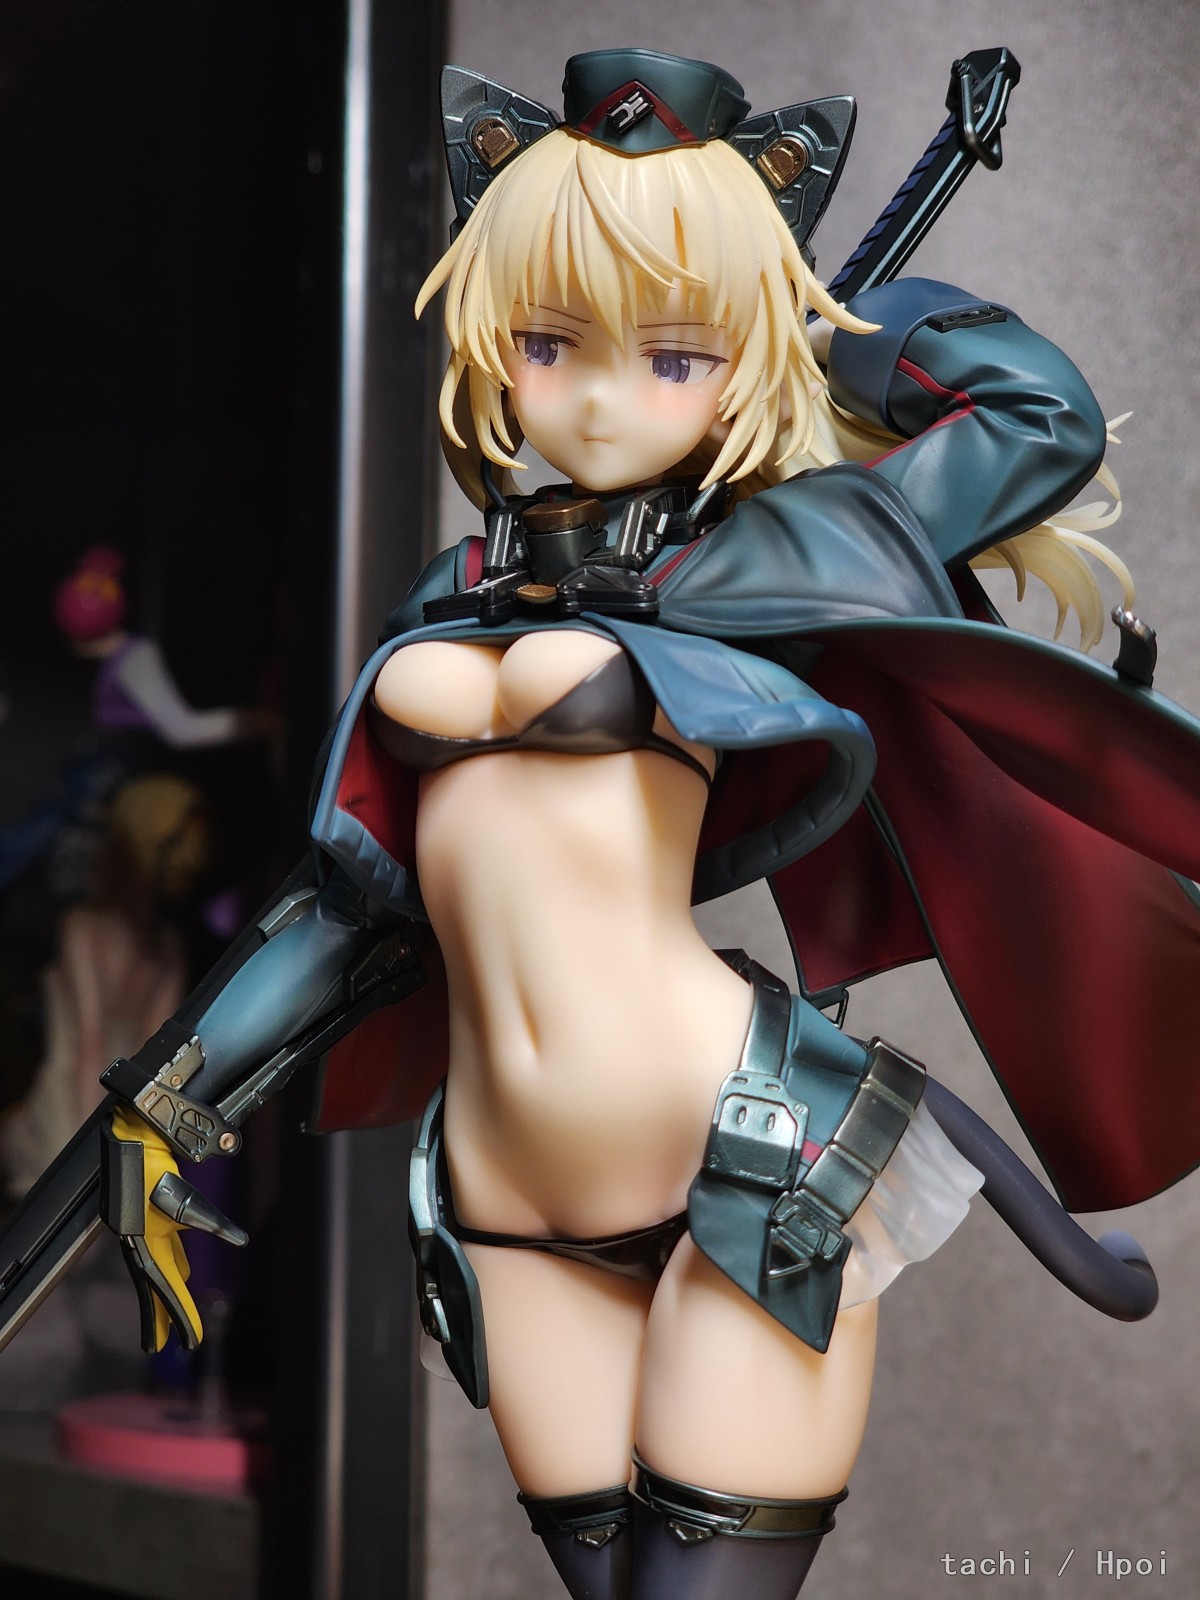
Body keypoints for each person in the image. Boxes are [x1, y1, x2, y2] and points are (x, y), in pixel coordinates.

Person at [9, 48, 1200, 1600]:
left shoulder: (767, 556)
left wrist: (823, 326)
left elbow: (1038, 418)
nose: (594, 396)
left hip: (742, 1157)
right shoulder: (452, 597)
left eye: (674, 354)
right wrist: (167, 1102)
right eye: (550, 339)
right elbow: (356, 905)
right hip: (505, 1207)